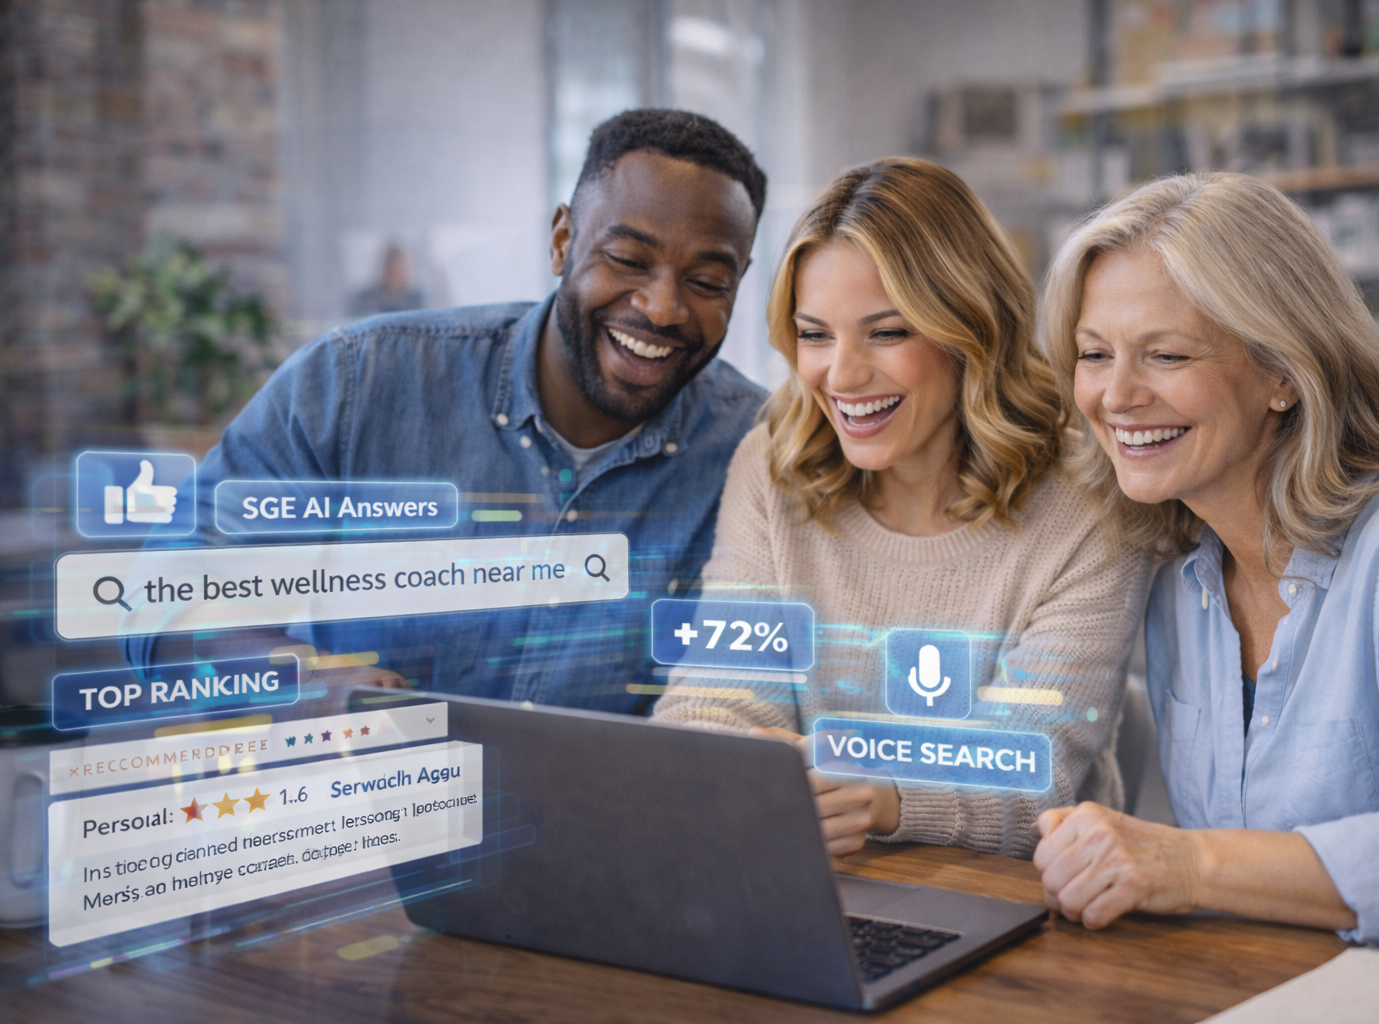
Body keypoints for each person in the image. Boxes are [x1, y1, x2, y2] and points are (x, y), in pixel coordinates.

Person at [1032, 172, 1379, 953]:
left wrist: (1186, 864)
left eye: (1164, 355)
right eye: (1094, 354)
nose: (1115, 395)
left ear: (1283, 372)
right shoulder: (1178, 563)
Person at [126, 109, 769, 712]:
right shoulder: (358, 382)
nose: (661, 308)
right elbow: (167, 598)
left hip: (610, 827)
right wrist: (309, 681)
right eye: (628, 260)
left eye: (707, 283)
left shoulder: (759, 453)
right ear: (562, 241)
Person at [653, 159, 1151, 858]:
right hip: (811, 881)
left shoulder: (1089, 503)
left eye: (887, 333)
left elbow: (1031, 768)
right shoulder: (773, 468)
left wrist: (881, 795)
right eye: (815, 334)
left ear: (968, 329)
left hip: (1019, 902)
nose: (842, 375)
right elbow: (713, 696)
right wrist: (737, 758)